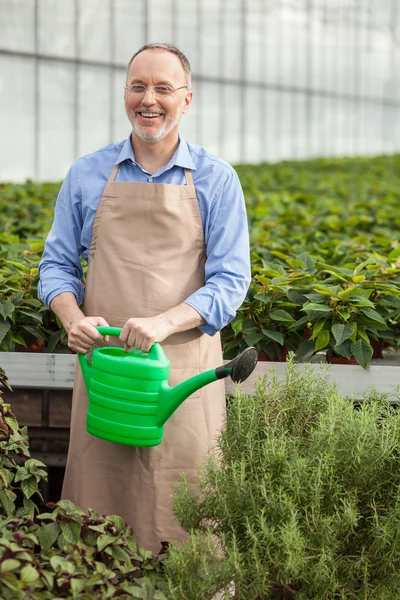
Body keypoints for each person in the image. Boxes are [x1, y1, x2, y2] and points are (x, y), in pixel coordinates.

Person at [38, 42, 251, 554]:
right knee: (99, 518)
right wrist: (72, 317)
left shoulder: (217, 179)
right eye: (138, 86)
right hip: (106, 367)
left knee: (191, 515)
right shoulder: (87, 174)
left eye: (163, 87)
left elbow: (230, 281)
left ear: (187, 99)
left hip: (184, 374)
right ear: (125, 94)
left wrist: (161, 323)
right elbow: (56, 267)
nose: (148, 99)